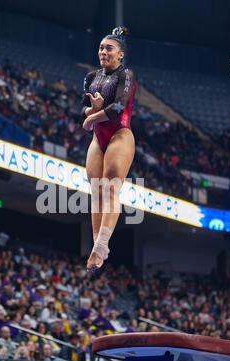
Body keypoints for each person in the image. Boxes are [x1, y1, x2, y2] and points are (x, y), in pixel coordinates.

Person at [82, 27, 137, 271]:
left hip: (119, 135)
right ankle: (97, 247)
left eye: (109, 48)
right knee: (96, 191)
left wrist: (93, 117)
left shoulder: (126, 76)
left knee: (111, 185)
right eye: (101, 47)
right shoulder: (91, 76)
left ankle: (103, 244)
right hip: (98, 140)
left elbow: (118, 109)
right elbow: (82, 107)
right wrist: (91, 111)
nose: (103, 51)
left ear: (120, 54)